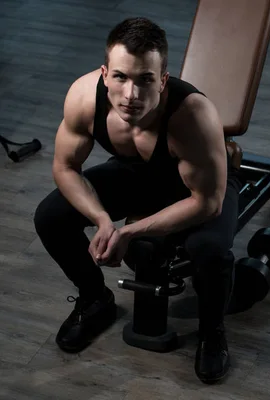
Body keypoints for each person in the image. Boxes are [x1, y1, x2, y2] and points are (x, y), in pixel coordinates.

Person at [33, 17, 243, 384]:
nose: (131, 94)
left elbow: (208, 202)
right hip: (135, 175)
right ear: (104, 73)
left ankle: (212, 332)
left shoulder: (192, 116)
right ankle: (94, 298)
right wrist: (101, 218)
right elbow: (66, 166)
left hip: (194, 190)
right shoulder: (84, 98)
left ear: (162, 80)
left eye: (145, 79)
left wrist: (129, 233)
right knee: (50, 215)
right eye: (120, 77)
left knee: (209, 248)